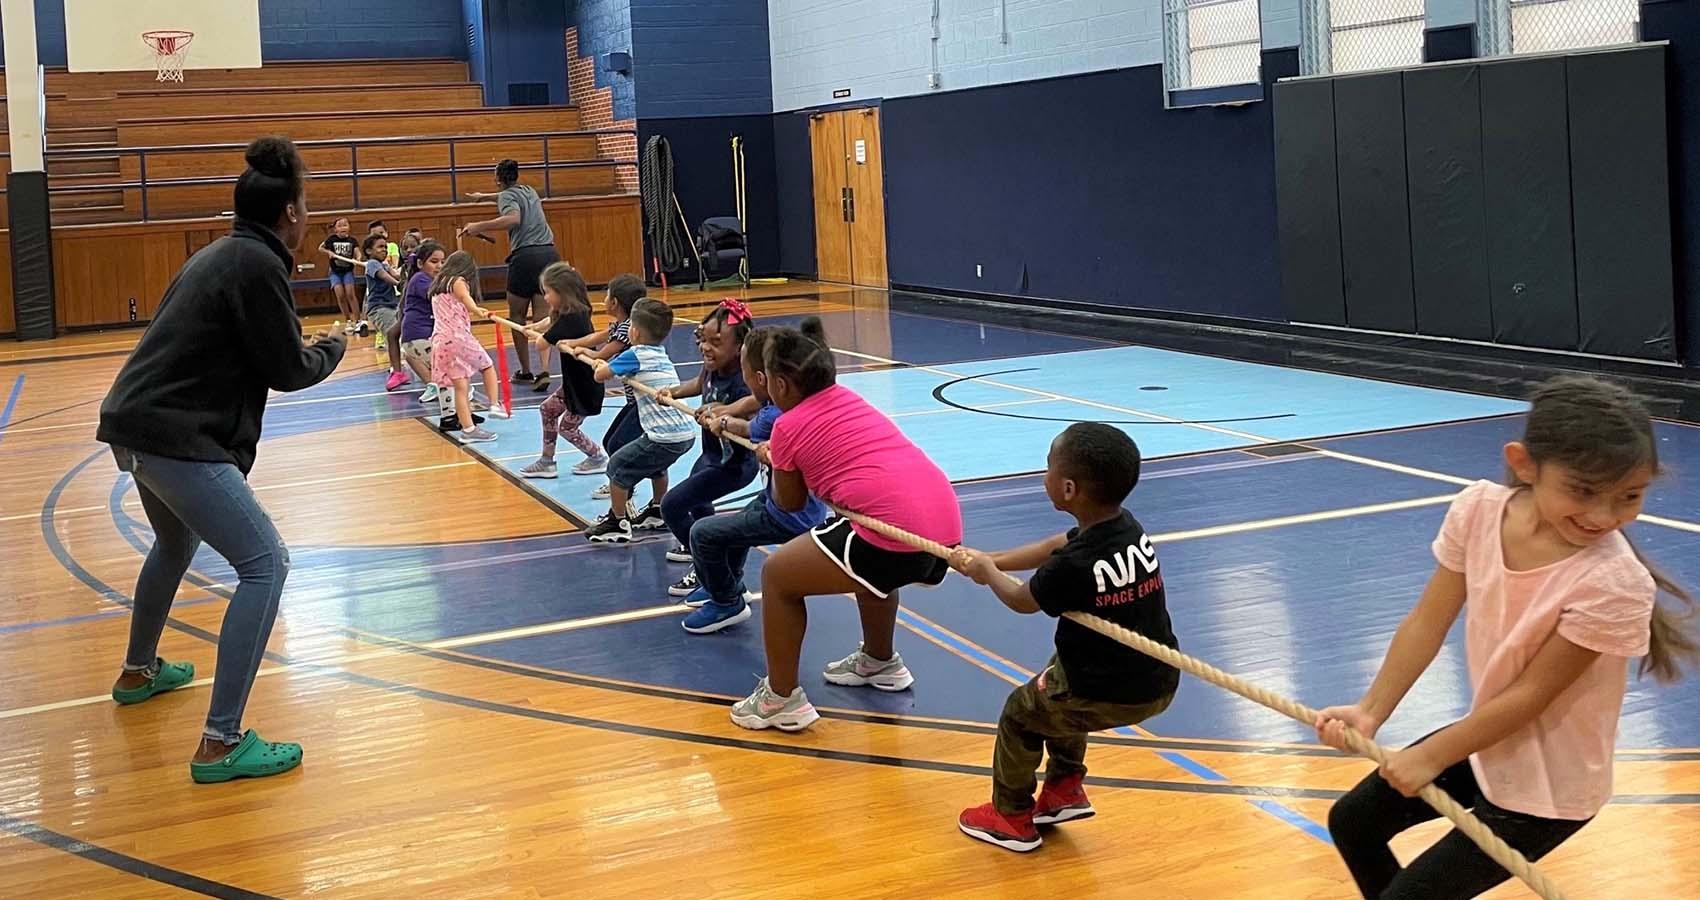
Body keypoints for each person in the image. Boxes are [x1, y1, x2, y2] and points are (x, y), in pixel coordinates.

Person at [1315, 376, 1698, 899]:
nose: (1605, 517)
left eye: (1629, 497)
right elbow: (1428, 621)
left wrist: (1434, 754)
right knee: (1354, 821)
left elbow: (1532, 694)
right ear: (1524, 464)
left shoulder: (1614, 581)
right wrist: (1371, 710)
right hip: (1489, 742)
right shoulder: (1478, 510)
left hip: (1548, 788)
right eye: (1582, 491)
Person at [97, 136, 345, 783]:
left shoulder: (221, 252)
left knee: (174, 546)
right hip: (176, 435)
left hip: (134, 425)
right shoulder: (258, 266)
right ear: (291, 214)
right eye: (307, 203)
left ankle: (139, 671)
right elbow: (287, 368)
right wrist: (333, 349)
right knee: (266, 564)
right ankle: (220, 741)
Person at [950, 423, 1180, 852]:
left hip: (1111, 691)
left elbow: (1021, 600)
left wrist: (988, 574)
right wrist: (991, 559)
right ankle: (1063, 789)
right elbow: (1060, 543)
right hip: (1158, 677)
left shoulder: (1072, 567)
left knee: (1022, 712)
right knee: (1056, 683)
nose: (1044, 477)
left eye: (1048, 469)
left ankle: (1011, 815)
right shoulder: (1126, 527)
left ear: (1069, 488)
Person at [730, 318, 963, 732]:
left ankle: (780, 699)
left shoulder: (787, 425)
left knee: (778, 575)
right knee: (867, 571)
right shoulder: (847, 399)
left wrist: (774, 460)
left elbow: (789, 503)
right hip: (942, 523)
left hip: (892, 533)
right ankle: (879, 661)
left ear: (780, 385)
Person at [679, 325, 829, 633]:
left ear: (761, 380)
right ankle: (730, 587)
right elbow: (748, 407)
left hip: (790, 514)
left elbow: (747, 427)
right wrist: (721, 415)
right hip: (781, 501)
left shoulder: (775, 416)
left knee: (703, 533)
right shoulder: (782, 403)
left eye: (745, 373)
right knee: (735, 526)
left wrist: (723, 421)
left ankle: (726, 603)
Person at [657, 299, 763, 597]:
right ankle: (707, 558)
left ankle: (706, 566)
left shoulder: (744, 380)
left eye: (716, 342)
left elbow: (752, 412)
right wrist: (674, 391)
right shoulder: (711, 368)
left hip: (733, 466)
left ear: (741, 348)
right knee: (700, 506)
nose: (706, 348)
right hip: (710, 456)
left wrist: (723, 411)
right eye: (703, 340)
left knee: (672, 505)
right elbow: (700, 384)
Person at [585, 298, 696, 543]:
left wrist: (599, 363)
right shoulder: (659, 353)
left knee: (616, 466)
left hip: (663, 435)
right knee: (656, 465)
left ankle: (617, 521)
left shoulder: (636, 354)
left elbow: (600, 375)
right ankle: (657, 511)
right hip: (684, 435)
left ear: (633, 331)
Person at [460, 158, 561, 392]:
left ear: (497, 178)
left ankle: (525, 370)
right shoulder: (529, 191)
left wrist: (479, 226)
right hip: (548, 253)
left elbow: (513, 218)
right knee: (541, 315)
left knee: (517, 316)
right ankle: (544, 369)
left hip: (525, 258)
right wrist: (483, 197)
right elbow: (507, 197)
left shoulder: (507, 197)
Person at [519, 262, 607, 478]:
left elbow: (542, 344)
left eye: (548, 293)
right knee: (547, 410)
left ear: (563, 293)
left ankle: (597, 457)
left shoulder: (573, 318)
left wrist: (536, 336)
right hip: (572, 384)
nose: (546, 298)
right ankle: (547, 462)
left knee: (567, 428)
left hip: (585, 387)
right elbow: (551, 321)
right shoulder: (571, 311)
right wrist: (535, 327)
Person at [430, 250, 511, 443]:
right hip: (457, 338)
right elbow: (466, 298)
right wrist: (477, 310)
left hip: (440, 341)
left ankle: (468, 429)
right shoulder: (457, 281)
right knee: (487, 366)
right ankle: (493, 404)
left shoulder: (437, 286)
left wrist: (474, 309)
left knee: (460, 386)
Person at [590, 274, 648, 502]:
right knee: (611, 441)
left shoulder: (628, 329)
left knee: (618, 444)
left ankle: (624, 487)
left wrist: (584, 354)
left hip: (642, 402)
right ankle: (618, 482)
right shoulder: (623, 325)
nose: (603, 300)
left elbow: (600, 356)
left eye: (606, 295)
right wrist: (572, 344)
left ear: (614, 302)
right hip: (634, 401)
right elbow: (598, 337)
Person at [400, 240, 448, 407]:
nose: (439, 266)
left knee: (413, 357)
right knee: (450, 364)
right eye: (434, 262)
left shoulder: (421, 278)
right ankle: (453, 388)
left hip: (412, 338)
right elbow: (437, 296)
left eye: (443, 262)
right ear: (420, 263)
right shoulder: (420, 279)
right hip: (421, 335)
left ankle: (433, 384)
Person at [363, 234, 408, 390]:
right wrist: (399, 284)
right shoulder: (372, 264)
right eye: (380, 247)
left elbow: (396, 274)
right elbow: (385, 277)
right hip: (379, 307)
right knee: (392, 335)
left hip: (391, 306)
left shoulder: (384, 264)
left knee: (398, 335)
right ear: (369, 251)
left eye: (386, 247)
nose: (385, 250)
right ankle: (396, 371)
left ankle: (397, 370)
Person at [319, 217, 361, 332]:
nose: (343, 227)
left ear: (349, 228)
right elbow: (320, 248)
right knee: (340, 295)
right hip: (335, 272)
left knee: (350, 294)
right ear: (335, 229)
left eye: (345, 225)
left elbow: (358, 253)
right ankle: (348, 320)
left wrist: (357, 259)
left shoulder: (352, 240)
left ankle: (357, 321)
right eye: (340, 225)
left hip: (348, 271)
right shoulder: (331, 239)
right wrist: (329, 252)